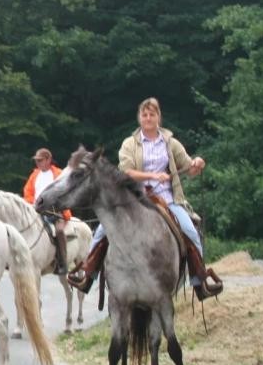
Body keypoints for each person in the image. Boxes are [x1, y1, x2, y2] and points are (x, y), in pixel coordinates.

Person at [67, 97, 223, 301]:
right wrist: (153, 176)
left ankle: (200, 282)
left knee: (190, 232)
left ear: (159, 117)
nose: (148, 118)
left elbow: (189, 168)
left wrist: (196, 164)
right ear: (139, 118)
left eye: (152, 114)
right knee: (102, 232)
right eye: (144, 114)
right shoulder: (129, 144)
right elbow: (126, 171)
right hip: (134, 199)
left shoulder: (171, 143)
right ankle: (88, 274)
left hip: (167, 199)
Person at [23, 148, 71, 275]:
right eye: (36, 161)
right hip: (36, 211)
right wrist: (31, 203)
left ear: (48, 160)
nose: (38, 163)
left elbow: (64, 193)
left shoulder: (59, 174)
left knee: (59, 231)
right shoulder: (34, 175)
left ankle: (62, 262)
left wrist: (55, 205)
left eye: (40, 160)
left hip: (55, 211)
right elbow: (27, 192)